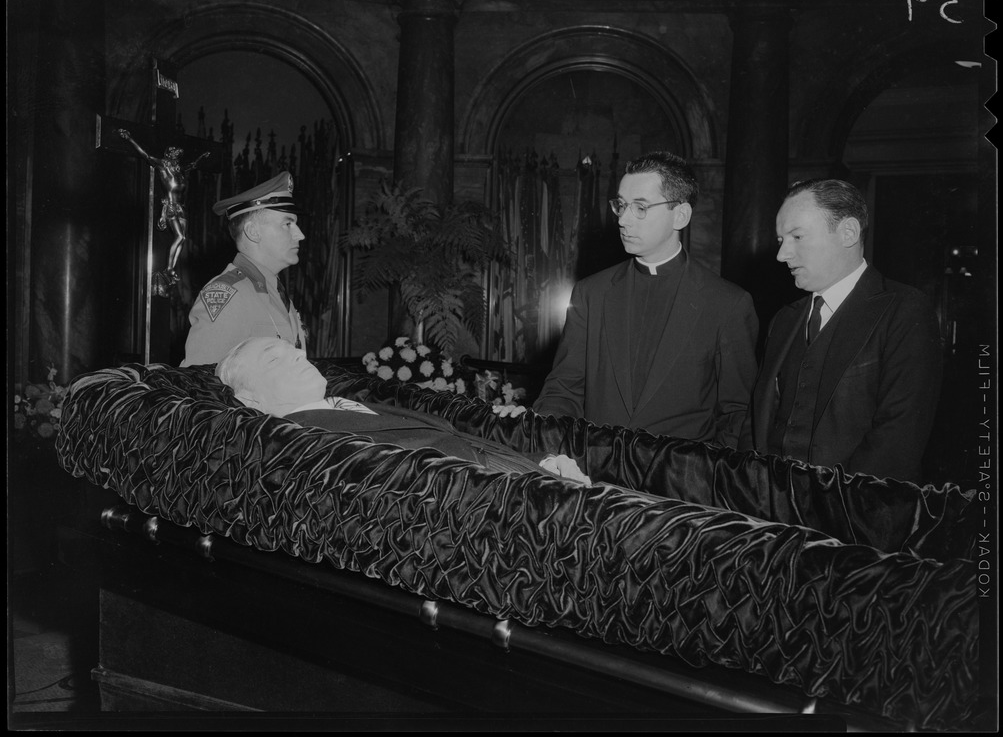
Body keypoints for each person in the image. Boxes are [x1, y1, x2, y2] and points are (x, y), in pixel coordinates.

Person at [498, 151, 758, 447]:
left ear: (681, 215)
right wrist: (545, 444)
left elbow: (738, 418)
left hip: (681, 485)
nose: (623, 219)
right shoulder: (591, 293)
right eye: (621, 205)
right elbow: (564, 389)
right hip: (593, 475)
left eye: (640, 208)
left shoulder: (727, 304)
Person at [744, 178, 943, 482]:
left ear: (848, 232)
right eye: (781, 240)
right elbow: (759, 425)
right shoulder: (783, 320)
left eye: (797, 236)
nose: (781, 255)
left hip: (855, 516)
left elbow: (896, 442)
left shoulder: (904, 311)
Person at [216, 337, 590, 485]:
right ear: (251, 402)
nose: (299, 353)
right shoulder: (312, 444)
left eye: (292, 347)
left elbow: (452, 442)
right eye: (274, 358)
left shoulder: (349, 406)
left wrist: (544, 462)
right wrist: (544, 485)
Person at [181, 171, 308, 367]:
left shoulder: (275, 292)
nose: (300, 235)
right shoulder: (229, 294)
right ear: (253, 232)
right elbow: (200, 384)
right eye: (287, 224)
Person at [116, 128, 211, 286]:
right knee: (180, 237)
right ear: (169, 155)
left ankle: (171, 269)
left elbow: (192, 165)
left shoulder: (179, 171)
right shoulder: (162, 166)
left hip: (181, 208)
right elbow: (145, 155)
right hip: (171, 207)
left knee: (183, 239)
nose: (177, 159)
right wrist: (130, 138)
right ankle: (169, 268)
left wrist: (202, 156)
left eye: (178, 157)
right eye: (175, 156)